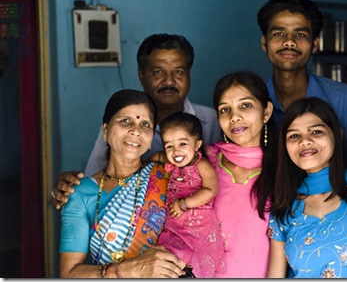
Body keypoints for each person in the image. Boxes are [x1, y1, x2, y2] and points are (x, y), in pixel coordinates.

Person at [52, 33, 221, 208]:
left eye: (178, 72)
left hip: (199, 227)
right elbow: (95, 182)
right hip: (138, 225)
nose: (169, 81)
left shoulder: (212, 121)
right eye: (158, 72)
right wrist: (72, 189)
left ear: (189, 75)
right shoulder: (118, 127)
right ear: (141, 75)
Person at [257, 0, 347, 208]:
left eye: (300, 34)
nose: (289, 42)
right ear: (265, 42)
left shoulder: (344, 98)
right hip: (272, 213)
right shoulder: (253, 105)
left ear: (314, 44)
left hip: (335, 213)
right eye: (279, 33)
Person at [59, 89, 190, 278]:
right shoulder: (80, 193)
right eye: (125, 121)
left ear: (152, 137)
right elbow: (69, 273)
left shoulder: (168, 176)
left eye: (144, 124)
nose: (135, 130)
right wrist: (129, 269)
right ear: (105, 130)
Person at [266, 97, 347, 278]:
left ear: (337, 134)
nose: (305, 141)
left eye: (316, 132)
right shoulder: (284, 205)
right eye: (294, 135)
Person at [205, 71, 276, 277]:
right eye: (225, 109)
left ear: (267, 111)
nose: (234, 117)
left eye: (245, 105)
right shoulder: (204, 162)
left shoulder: (286, 166)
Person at [151, 112, 225, 278]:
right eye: (169, 146)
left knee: (194, 262)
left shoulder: (202, 165)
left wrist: (184, 203)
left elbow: (210, 190)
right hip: (174, 224)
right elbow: (148, 167)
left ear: (197, 144)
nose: (175, 150)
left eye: (183, 143)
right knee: (170, 260)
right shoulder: (167, 163)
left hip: (198, 226)